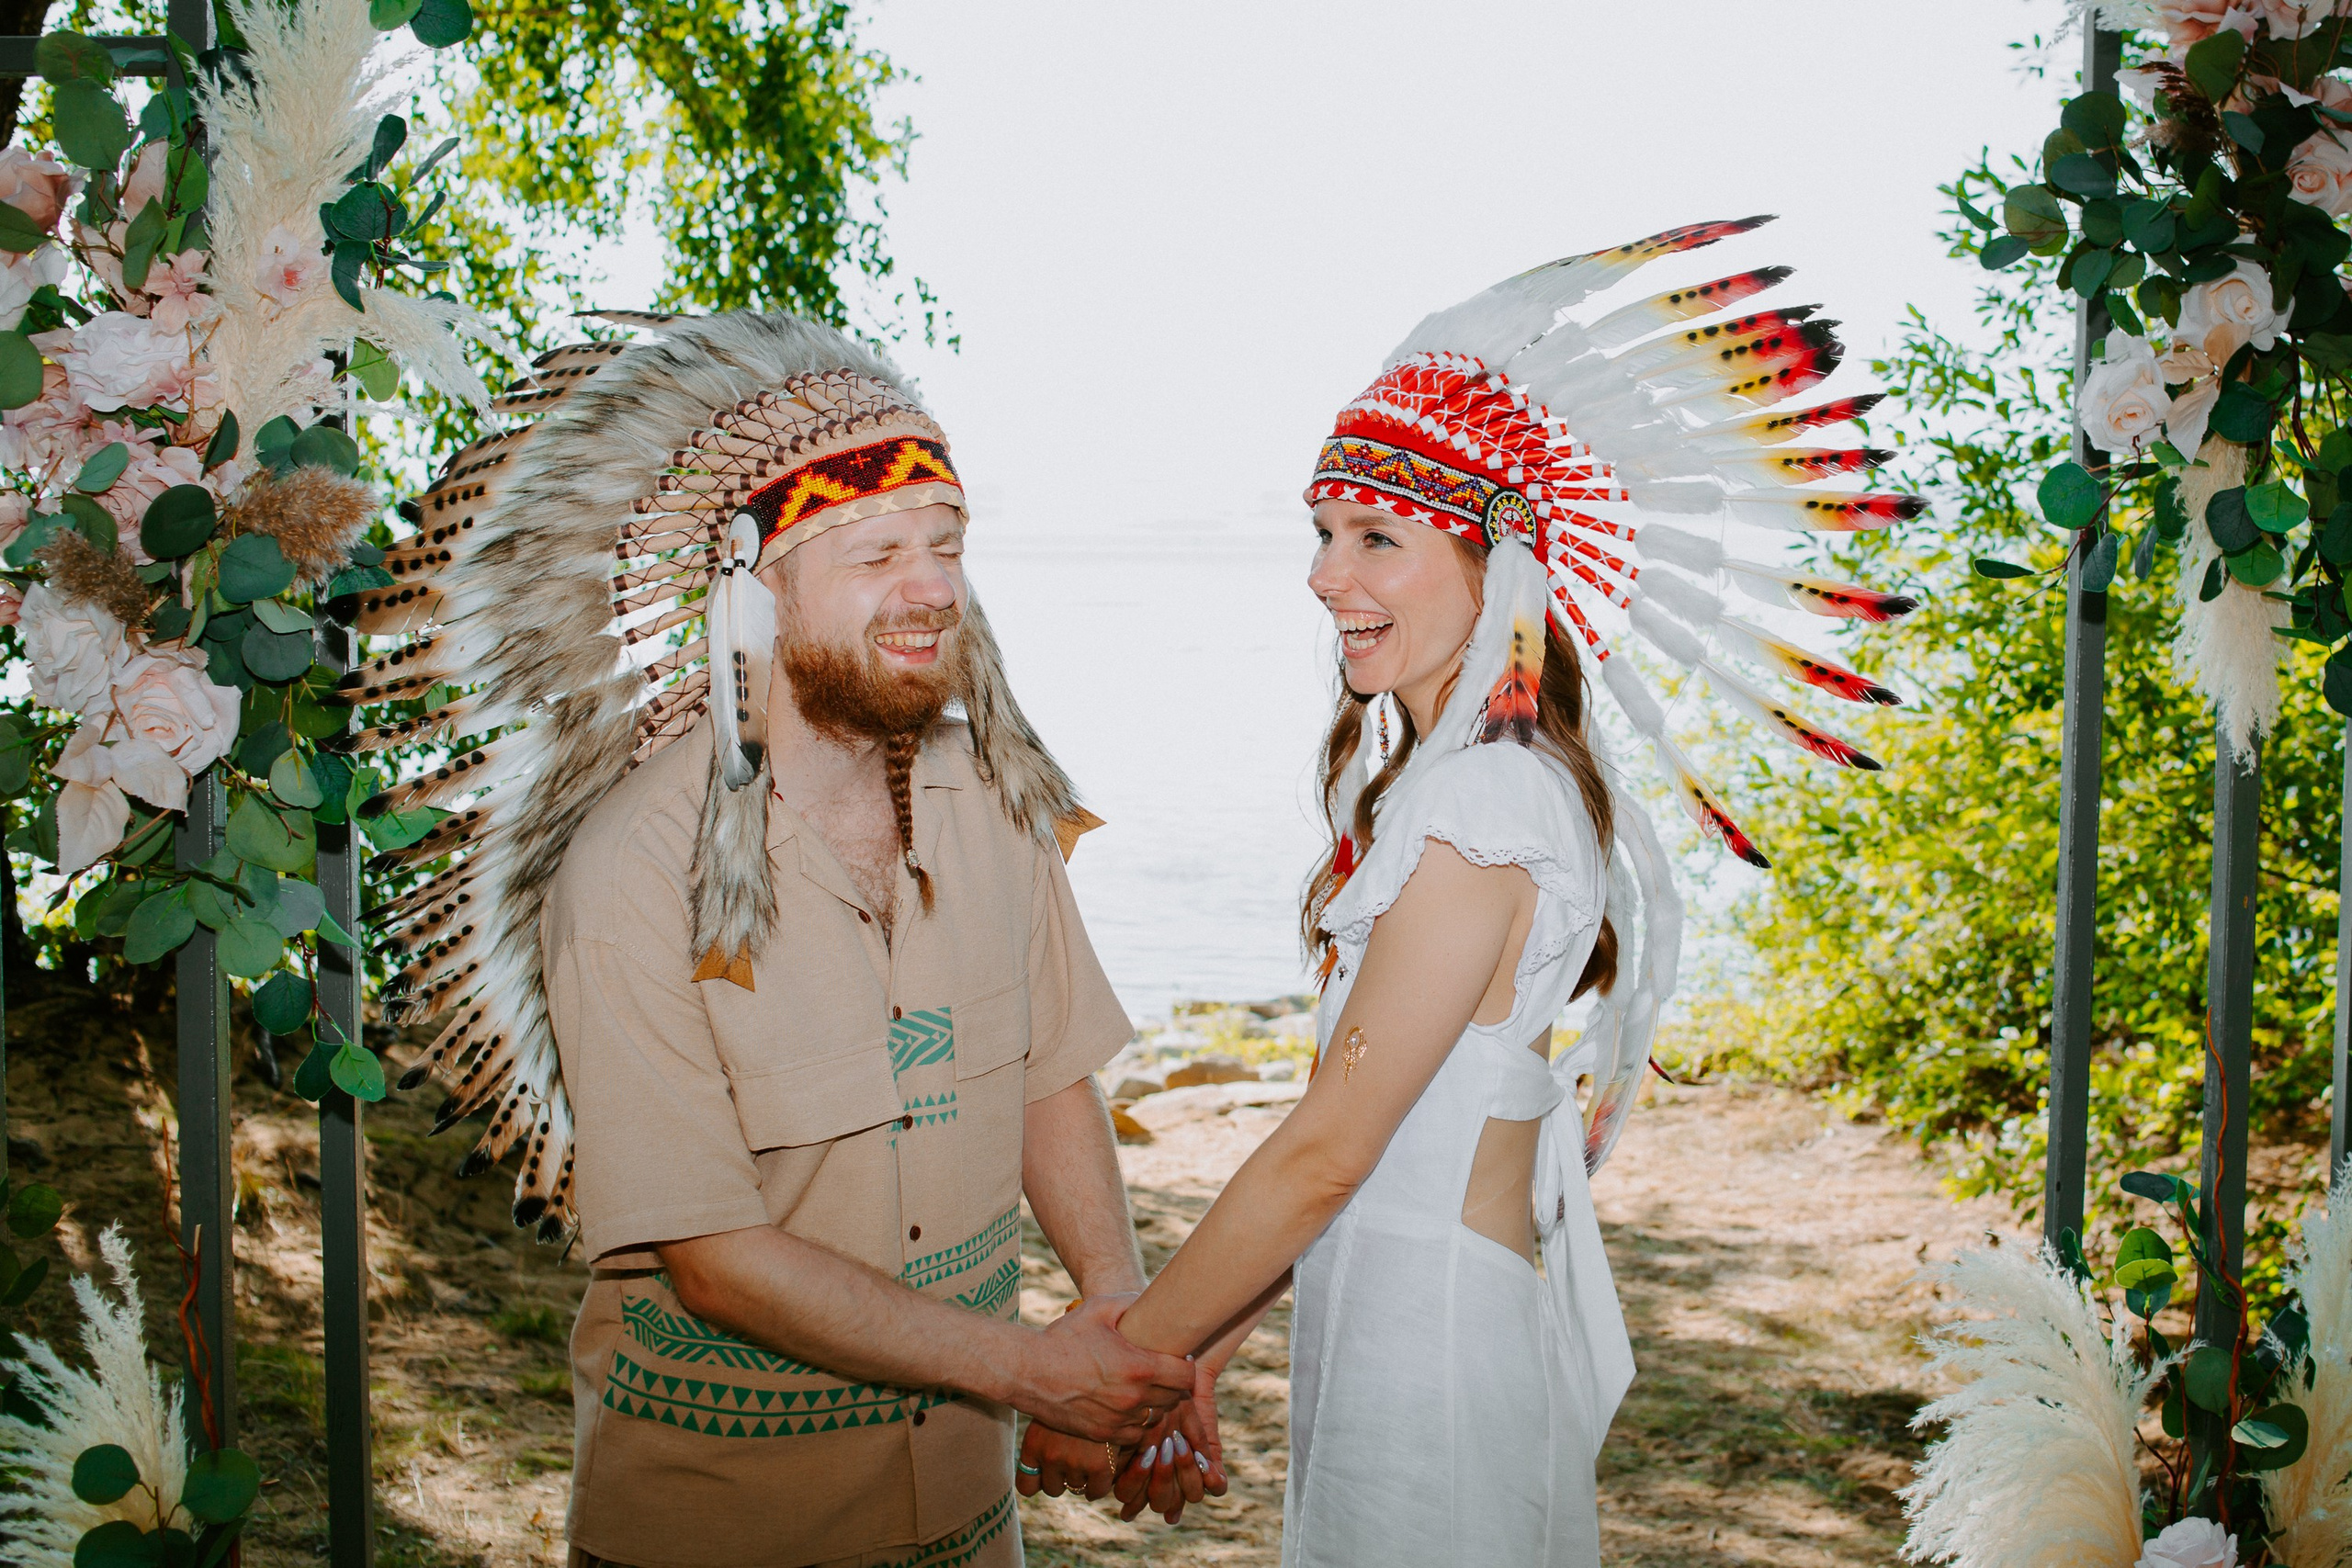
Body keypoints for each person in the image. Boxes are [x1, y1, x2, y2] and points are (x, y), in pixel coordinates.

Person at [1023, 220, 1922, 1562]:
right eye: (1324, 532)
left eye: (1377, 536)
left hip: (1431, 1355)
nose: (1326, 574)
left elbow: (1327, 1148)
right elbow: (1378, 1148)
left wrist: (1119, 1370)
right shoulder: (1461, 786)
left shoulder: (1486, 804)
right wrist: (1201, 1351)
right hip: (1397, 1314)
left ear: (1494, 562)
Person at [350, 315, 1198, 1568]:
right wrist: (1034, 1375)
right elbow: (718, 1262)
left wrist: (1117, 1315)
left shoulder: (997, 806)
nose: (929, 591)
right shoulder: (636, 874)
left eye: (945, 548)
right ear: (756, 591)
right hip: (726, 1528)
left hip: (972, 1519)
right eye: (872, 556)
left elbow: (1047, 1077)